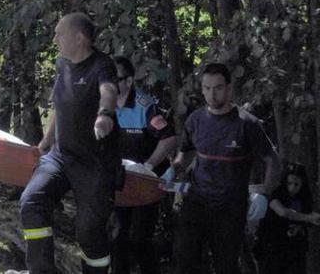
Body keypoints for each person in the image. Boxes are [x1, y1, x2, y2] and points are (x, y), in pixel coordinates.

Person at [14, 12, 120, 274]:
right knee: (31, 201)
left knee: (89, 232)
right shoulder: (63, 65)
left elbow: (109, 92)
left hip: (94, 165)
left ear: (79, 37)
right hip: (60, 157)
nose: (55, 38)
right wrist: (44, 143)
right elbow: (59, 107)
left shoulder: (102, 65)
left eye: (60, 32)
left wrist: (105, 116)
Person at [170, 63, 280, 274]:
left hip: (230, 207)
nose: (212, 94)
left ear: (229, 88)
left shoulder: (247, 123)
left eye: (218, 87)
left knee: (226, 266)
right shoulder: (195, 120)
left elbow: (272, 160)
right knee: (183, 261)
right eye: (207, 88)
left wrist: (264, 194)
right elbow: (186, 151)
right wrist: (174, 168)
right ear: (201, 89)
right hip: (196, 201)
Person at [110, 56, 176, 274]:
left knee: (139, 238)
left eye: (115, 79)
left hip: (147, 180)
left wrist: (148, 165)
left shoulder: (144, 106)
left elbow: (169, 138)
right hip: (121, 180)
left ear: (128, 81)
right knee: (118, 237)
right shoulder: (103, 106)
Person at [253, 162, 320, 274]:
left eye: (296, 184)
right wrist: (308, 218)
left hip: (294, 252)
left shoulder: (304, 198)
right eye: (289, 183)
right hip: (273, 250)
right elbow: (283, 212)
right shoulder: (277, 194)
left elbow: (306, 217)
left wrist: (303, 224)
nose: (292, 188)